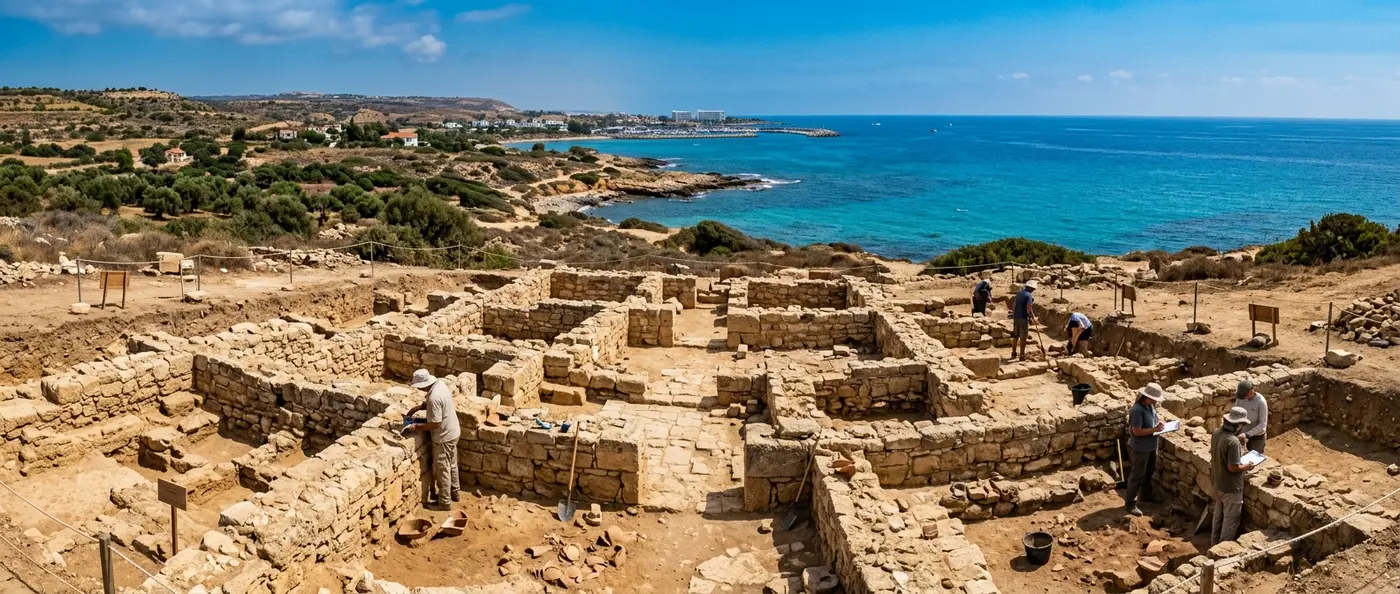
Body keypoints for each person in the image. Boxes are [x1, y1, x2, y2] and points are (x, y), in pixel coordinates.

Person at [405, 369, 461, 510]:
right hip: (453, 431)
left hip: (443, 437)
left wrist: (416, 427)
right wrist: (421, 407)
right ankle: (455, 492)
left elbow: (436, 424)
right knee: (452, 464)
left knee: (443, 469)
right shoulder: (440, 385)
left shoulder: (434, 397)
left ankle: (444, 502)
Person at [1211, 406, 1258, 545]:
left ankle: (1213, 543)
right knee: (1230, 520)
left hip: (1217, 482)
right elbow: (1233, 467)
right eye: (1242, 425)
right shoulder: (1233, 442)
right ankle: (1221, 550)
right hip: (1230, 487)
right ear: (1237, 425)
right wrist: (1248, 466)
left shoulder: (1216, 433)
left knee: (1218, 516)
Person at [1124, 382, 1165, 516]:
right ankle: (1130, 503)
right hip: (1141, 448)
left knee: (1149, 471)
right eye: (1153, 399)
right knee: (1137, 475)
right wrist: (1154, 429)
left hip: (1151, 446)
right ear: (1146, 397)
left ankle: (1146, 495)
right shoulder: (1137, 410)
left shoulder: (1150, 407)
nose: (1155, 402)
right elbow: (1136, 431)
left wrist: (1159, 425)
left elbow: (1152, 422)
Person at [1235, 380, 1269, 454]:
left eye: (1246, 396)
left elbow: (1262, 425)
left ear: (1251, 392)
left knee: (1254, 458)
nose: (1244, 398)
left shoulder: (1260, 402)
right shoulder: (1240, 398)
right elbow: (1237, 413)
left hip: (1257, 435)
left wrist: (1247, 434)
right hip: (1243, 431)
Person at [1009, 279, 1038, 361]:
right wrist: (1033, 317)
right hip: (1022, 318)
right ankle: (1022, 355)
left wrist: (1014, 315)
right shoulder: (1028, 295)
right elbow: (1029, 308)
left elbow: (1014, 305)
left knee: (1015, 336)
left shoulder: (1019, 293)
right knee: (1023, 337)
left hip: (1016, 318)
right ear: (1031, 288)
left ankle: (1013, 353)